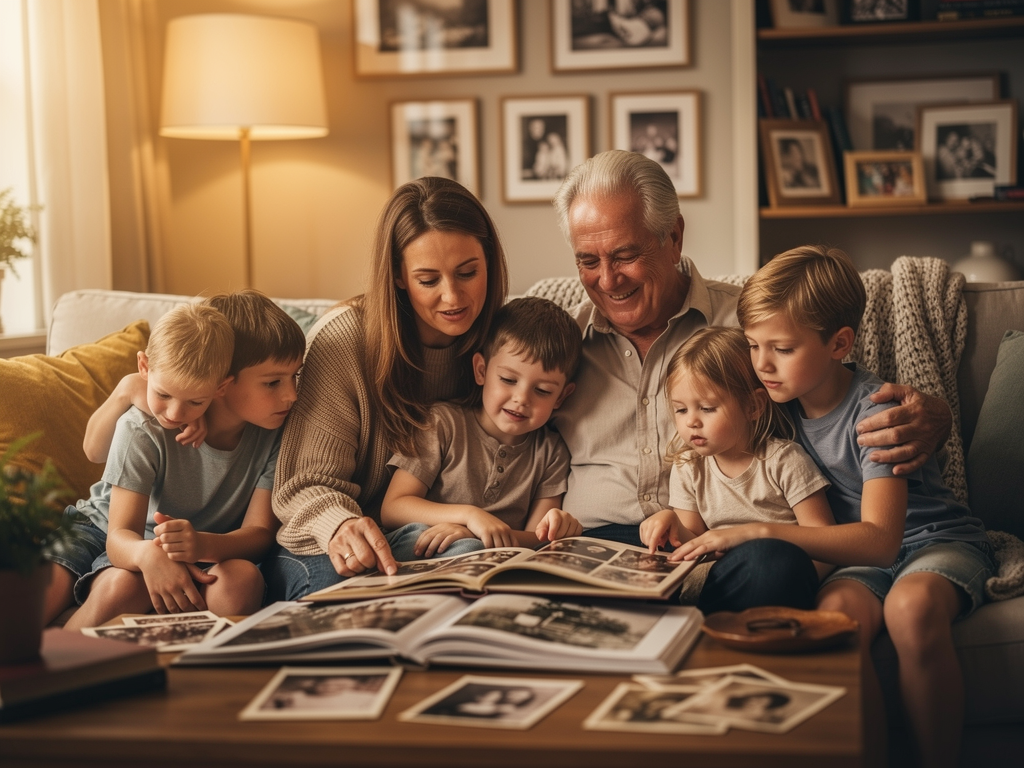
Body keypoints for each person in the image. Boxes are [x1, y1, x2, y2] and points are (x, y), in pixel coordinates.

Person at [548, 149, 955, 608]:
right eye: (587, 261)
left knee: (773, 567)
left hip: (723, 549)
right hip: (593, 542)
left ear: (674, 236)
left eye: (624, 255)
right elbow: (485, 421)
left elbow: (836, 391)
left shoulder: (754, 325)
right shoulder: (556, 344)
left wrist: (936, 416)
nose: (607, 280)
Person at [708, 245, 992, 768]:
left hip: (933, 542)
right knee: (835, 621)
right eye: (753, 346)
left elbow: (882, 540)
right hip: (856, 562)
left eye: (783, 349)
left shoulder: (875, 411)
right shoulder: (777, 411)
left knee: (911, 610)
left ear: (839, 344)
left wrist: (757, 534)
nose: (762, 365)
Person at [268, 177, 509, 600]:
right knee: (347, 598)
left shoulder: (501, 346)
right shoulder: (345, 341)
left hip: (415, 535)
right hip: (323, 540)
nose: (453, 296)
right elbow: (301, 485)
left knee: (472, 572)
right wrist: (340, 525)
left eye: (468, 272)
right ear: (399, 276)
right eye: (428, 280)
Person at [44, 294, 305, 629]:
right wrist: (127, 389)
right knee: (107, 589)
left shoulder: (278, 432)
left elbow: (259, 533)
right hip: (117, 531)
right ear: (225, 383)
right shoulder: (147, 426)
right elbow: (119, 525)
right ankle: (63, 641)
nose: (292, 395)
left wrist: (202, 543)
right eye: (273, 382)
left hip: (202, 548)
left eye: (294, 377)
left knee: (240, 581)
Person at [638, 327, 836, 614]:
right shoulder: (689, 466)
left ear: (753, 406)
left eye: (707, 408)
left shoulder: (783, 460)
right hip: (719, 576)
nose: (691, 421)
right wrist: (671, 523)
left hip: (775, 570)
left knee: (769, 564)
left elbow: (825, 542)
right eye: (681, 410)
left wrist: (796, 580)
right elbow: (694, 542)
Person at [380, 296, 583, 557]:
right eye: (508, 379)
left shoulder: (551, 453)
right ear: (481, 370)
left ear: (562, 397)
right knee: (467, 549)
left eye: (542, 390)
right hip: (421, 543)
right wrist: (469, 517)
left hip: (488, 557)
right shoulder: (442, 423)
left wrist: (476, 535)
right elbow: (393, 508)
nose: (521, 399)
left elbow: (537, 540)